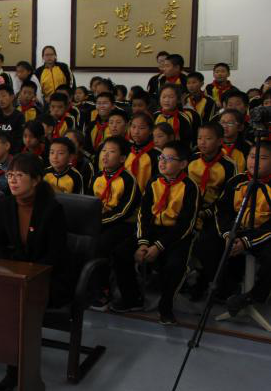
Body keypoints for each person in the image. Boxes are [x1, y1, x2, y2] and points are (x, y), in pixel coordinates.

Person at [0, 152, 70, 391]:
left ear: (35, 180)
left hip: (47, 278)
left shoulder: (52, 209)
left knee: (16, 307)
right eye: (10, 175)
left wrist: (27, 274)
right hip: (15, 274)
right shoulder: (4, 204)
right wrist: (12, 270)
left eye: (19, 175)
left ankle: (17, 371)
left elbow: (55, 255)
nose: (12, 180)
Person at [111, 141, 199, 325]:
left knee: (175, 265)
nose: (163, 162)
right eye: (161, 157)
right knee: (120, 252)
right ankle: (132, 298)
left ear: (183, 164)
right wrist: (143, 243)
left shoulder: (190, 187)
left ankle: (166, 307)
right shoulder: (153, 182)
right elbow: (143, 215)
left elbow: (186, 225)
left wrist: (158, 246)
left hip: (176, 235)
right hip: (152, 230)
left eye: (169, 159)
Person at [187, 121, 238, 300]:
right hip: (191, 210)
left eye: (208, 138)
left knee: (207, 244)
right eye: (200, 138)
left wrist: (206, 212)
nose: (202, 142)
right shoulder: (192, 159)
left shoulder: (228, 165)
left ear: (219, 141)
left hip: (215, 214)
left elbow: (227, 197)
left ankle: (211, 283)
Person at [219, 142, 271, 316]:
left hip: (263, 234)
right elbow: (223, 211)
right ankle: (229, 290)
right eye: (252, 156)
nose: (255, 162)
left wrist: (247, 242)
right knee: (206, 245)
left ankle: (253, 296)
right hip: (236, 230)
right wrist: (229, 234)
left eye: (262, 158)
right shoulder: (236, 181)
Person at [90, 136, 141, 309]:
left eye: (111, 152)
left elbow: (123, 212)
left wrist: (99, 222)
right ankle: (87, 286)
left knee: (101, 245)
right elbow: (89, 203)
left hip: (124, 225)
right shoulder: (97, 176)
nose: (105, 155)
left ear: (122, 158)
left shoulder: (128, 180)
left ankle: (103, 290)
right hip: (100, 222)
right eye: (103, 151)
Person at [0, 85, 23, 149]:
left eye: (3, 96)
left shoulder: (19, 116)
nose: (1, 100)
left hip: (12, 151)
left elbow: (18, 141)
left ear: (12, 97)